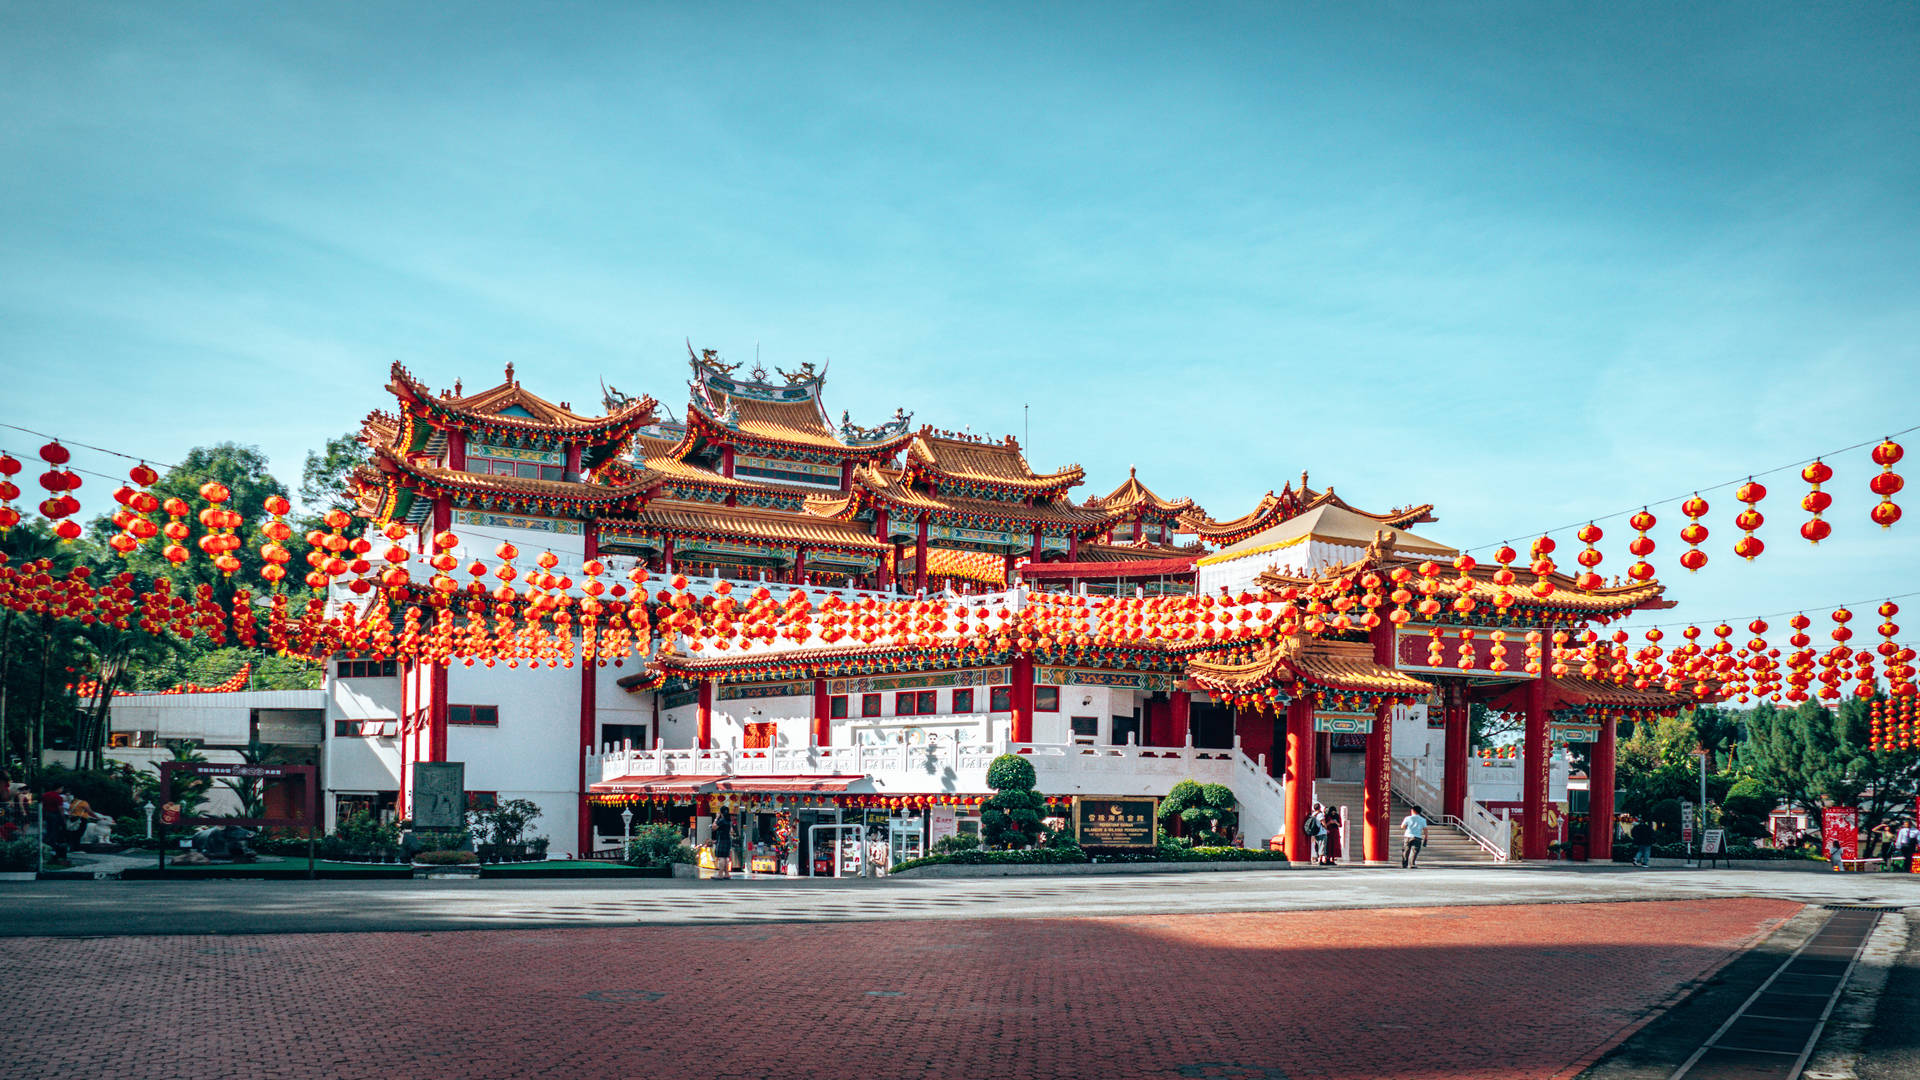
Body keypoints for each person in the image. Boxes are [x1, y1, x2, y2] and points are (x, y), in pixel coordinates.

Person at [1400, 804, 1428, 869]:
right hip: (1417, 837)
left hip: (1408, 836)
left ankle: (1404, 864)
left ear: (1413, 811)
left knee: (1406, 850)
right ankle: (1412, 864)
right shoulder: (1423, 819)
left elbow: (1402, 826)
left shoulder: (1408, 818)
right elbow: (1425, 829)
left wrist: (1408, 827)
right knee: (1414, 851)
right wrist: (1426, 838)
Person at [710, 811, 734, 880]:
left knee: (721, 857)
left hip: (722, 840)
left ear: (722, 814)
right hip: (728, 840)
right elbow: (731, 831)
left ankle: (720, 874)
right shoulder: (729, 821)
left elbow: (713, 827)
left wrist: (716, 818)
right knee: (726, 857)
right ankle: (726, 874)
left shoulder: (721, 821)